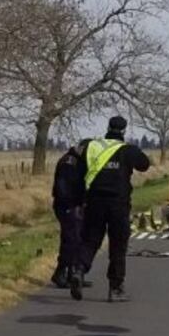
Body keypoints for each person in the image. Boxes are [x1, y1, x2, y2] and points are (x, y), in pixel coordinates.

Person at [74, 115, 150, 302]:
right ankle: (115, 288)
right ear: (124, 131)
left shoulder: (92, 146)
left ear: (107, 127)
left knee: (90, 239)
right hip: (118, 203)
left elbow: (79, 170)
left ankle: (79, 270)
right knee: (118, 244)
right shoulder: (127, 150)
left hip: (94, 201)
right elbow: (144, 165)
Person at [50, 144, 90, 289]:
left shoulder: (78, 162)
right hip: (67, 206)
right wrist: (71, 205)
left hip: (74, 205)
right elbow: (63, 188)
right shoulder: (69, 163)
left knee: (77, 240)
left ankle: (73, 274)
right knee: (71, 240)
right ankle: (60, 273)